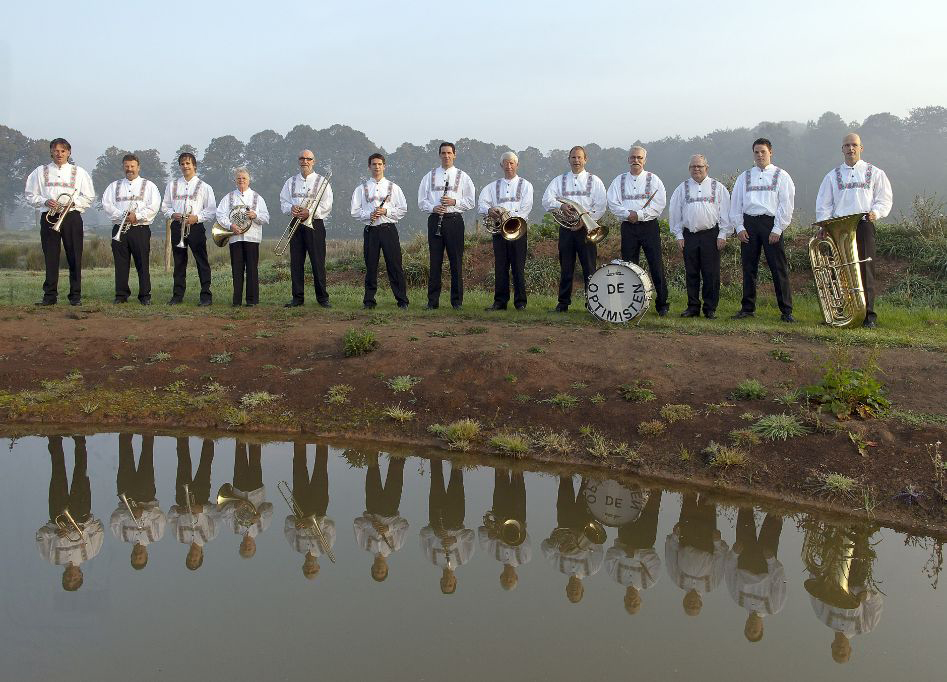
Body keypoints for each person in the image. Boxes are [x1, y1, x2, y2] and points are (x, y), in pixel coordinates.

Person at [815, 133, 893, 328]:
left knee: (866, 270)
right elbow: (824, 203)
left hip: (864, 224)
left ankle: (869, 317)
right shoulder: (832, 175)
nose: (850, 149)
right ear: (842, 149)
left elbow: (884, 198)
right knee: (837, 271)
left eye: (854, 145)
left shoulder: (875, 172)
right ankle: (841, 314)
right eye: (847, 145)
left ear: (861, 148)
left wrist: (876, 212)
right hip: (838, 228)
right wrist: (825, 224)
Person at [729, 138, 797, 322]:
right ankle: (747, 308)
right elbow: (736, 203)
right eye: (756, 152)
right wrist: (739, 227)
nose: (759, 155)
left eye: (763, 152)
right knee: (749, 268)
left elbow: (786, 204)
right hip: (749, 224)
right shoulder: (744, 176)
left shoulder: (781, 176)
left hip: (771, 224)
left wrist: (778, 228)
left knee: (778, 268)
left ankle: (786, 311)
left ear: (770, 152)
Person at [24, 138, 95, 306]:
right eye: (56, 150)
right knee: (50, 257)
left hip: (71, 216)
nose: (59, 154)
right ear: (51, 152)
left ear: (69, 152)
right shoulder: (40, 172)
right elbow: (29, 194)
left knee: (74, 256)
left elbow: (89, 196)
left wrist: (72, 204)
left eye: (63, 151)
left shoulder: (80, 172)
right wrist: (45, 201)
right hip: (49, 216)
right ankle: (49, 297)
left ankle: (75, 297)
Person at [803, 521, 884, 664]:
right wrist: (867, 596)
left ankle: (837, 518)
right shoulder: (865, 627)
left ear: (832, 646)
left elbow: (815, 592)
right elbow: (877, 604)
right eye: (843, 653)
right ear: (850, 649)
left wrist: (821, 577)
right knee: (860, 536)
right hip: (857, 577)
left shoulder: (823, 618)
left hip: (832, 572)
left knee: (833, 537)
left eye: (837, 652)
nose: (840, 650)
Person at [541, 146, 607, 313]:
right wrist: (561, 206)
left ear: (586, 159)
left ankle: (593, 304)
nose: (576, 161)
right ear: (569, 160)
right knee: (566, 267)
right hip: (566, 230)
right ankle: (563, 304)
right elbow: (546, 200)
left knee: (589, 268)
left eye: (579, 158)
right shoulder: (559, 180)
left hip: (587, 229)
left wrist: (585, 220)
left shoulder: (595, 180)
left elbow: (601, 205)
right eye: (573, 158)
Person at [35, 436, 104, 591]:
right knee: (81, 472)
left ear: (63, 577)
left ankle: (55, 439)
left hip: (57, 515)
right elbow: (99, 528)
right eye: (74, 579)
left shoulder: (50, 558)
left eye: (68, 579)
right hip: (81, 513)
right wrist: (82, 528)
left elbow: (40, 535)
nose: (71, 577)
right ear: (81, 575)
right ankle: (80, 439)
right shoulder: (92, 552)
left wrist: (55, 532)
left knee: (57, 474)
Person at [606, 146, 669, 315]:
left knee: (656, 264)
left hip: (649, 226)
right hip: (628, 227)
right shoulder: (618, 180)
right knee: (629, 266)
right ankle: (631, 304)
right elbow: (612, 203)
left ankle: (662, 304)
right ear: (628, 159)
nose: (636, 160)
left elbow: (659, 204)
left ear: (645, 160)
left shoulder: (654, 179)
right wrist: (628, 214)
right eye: (633, 157)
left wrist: (639, 215)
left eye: (639, 158)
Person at [668, 155, 730, 319]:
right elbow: (675, 213)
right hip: (689, 236)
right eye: (693, 166)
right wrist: (678, 235)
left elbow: (725, 213)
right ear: (689, 169)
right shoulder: (682, 188)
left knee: (711, 273)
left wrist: (723, 234)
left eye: (699, 166)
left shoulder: (718, 187)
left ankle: (710, 309)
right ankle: (693, 307)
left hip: (711, 235)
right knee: (692, 273)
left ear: (706, 168)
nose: (696, 169)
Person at [417, 142, 476, 310]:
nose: (446, 156)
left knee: (456, 261)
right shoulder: (429, 176)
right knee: (435, 261)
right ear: (439, 155)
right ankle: (432, 302)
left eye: (449, 153)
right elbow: (421, 201)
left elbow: (471, 201)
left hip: (455, 220)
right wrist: (433, 207)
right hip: (436, 219)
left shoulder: (463, 176)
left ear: (454, 155)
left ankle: (456, 302)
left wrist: (454, 201)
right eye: (443, 153)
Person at [350, 153, 409, 309]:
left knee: (395, 265)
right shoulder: (361, 189)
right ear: (369, 166)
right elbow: (355, 211)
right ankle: (369, 301)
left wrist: (386, 212)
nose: (377, 167)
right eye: (374, 164)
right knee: (371, 266)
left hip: (389, 229)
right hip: (371, 230)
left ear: (384, 166)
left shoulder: (394, 187)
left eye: (379, 164)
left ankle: (402, 301)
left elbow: (403, 209)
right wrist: (369, 214)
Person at [102, 154, 162, 305]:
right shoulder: (113, 186)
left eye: (132, 166)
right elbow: (107, 205)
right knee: (121, 263)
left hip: (140, 229)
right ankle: (121, 295)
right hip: (119, 228)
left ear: (138, 167)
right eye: (127, 166)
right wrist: (123, 215)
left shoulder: (149, 186)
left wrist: (138, 215)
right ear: (123, 167)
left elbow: (154, 206)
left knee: (143, 263)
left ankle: (145, 296)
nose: (130, 169)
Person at [478, 151, 534, 311]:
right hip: (498, 232)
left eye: (512, 163)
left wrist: (508, 218)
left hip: (518, 230)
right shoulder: (492, 186)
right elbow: (481, 203)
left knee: (518, 267)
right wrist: (490, 210)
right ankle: (500, 302)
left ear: (517, 165)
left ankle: (520, 302)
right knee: (500, 267)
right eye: (506, 163)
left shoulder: (526, 185)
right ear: (501, 165)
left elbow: (526, 208)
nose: (509, 166)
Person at [161, 152, 217, 306]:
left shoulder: (205, 187)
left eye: (188, 163)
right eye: (182, 164)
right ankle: (177, 296)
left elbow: (211, 210)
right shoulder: (172, 185)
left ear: (194, 166)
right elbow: (165, 206)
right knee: (179, 262)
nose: (185, 166)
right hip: (178, 225)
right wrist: (173, 214)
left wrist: (197, 217)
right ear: (179, 166)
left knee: (201, 261)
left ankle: (206, 296)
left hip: (196, 227)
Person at [280, 149, 333, 308]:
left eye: (308, 159)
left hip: (314, 224)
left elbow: (327, 204)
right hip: (295, 223)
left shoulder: (322, 181)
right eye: (302, 158)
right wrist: (291, 208)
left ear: (313, 161)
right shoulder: (290, 181)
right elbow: (283, 201)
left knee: (318, 262)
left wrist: (310, 212)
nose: (305, 161)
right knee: (296, 262)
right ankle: (297, 298)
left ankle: (322, 298)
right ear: (299, 161)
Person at [724, 507, 787, 643]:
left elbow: (729, 573)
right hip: (765, 563)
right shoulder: (774, 607)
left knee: (744, 510)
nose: (751, 627)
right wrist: (771, 561)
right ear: (762, 628)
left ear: (745, 625)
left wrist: (734, 554)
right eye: (755, 631)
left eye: (748, 629)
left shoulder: (737, 599)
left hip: (744, 558)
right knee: (774, 515)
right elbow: (780, 580)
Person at [541, 475, 604, 604]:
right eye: (576, 592)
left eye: (570, 592)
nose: (573, 590)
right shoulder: (592, 569)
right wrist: (580, 539)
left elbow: (544, 547)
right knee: (587, 484)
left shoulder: (558, 566)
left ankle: (565, 455)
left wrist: (558, 546)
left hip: (564, 521)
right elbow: (598, 546)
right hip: (584, 523)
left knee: (565, 479)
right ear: (583, 589)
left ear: (566, 588)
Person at [665, 492, 728, 616]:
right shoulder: (712, 586)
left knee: (689, 498)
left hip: (687, 537)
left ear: (684, 601)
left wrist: (675, 536)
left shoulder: (677, 580)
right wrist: (717, 543)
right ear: (701, 603)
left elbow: (671, 555)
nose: (692, 603)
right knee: (708, 498)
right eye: (695, 606)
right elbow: (720, 560)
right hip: (707, 541)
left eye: (689, 605)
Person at [109, 433, 166, 571]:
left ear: (130, 556)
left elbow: (114, 519)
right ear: (146, 556)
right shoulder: (156, 536)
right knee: (147, 456)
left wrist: (129, 514)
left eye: (135, 558)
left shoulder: (121, 536)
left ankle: (125, 429)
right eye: (141, 558)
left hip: (126, 496)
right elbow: (160, 517)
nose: (137, 555)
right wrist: (143, 513)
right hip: (146, 495)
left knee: (125, 458)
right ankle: (148, 429)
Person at [352, 451, 409, 583]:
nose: (379, 569)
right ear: (387, 568)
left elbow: (357, 523)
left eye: (376, 571)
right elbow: (405, 524)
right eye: (382, 571)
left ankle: (373, 445)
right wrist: (388, 528)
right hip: (390, 509)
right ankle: (398, 443)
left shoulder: (364, 545)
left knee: (372, 470)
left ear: (372, 568)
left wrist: (371, 524)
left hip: (372, 508)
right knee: (396, 472)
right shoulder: (397, 545)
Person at [420, 459, 474, 594]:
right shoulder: (464, 558)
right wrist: (456, 540)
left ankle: (435, 451)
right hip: (456, 519)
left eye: (444, 584)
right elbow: (471, 535)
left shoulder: (431, 558)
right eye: (450, 584)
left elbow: (422, 534)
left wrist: (435, 532)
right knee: (457, 480)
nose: (447, 582)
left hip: (435, 520)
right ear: (455, 580)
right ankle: (457, 453)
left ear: (440, 581)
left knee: (436, 480)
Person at [604, 489, 662, 615]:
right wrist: (636, 554)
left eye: (629, 604)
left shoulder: (615, 576)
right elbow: (654, 560)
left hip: (625, 537)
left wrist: (624, 551)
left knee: (626, 500)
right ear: (640, 600)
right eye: (635, 604)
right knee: (653, 500)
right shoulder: (650, 581)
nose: (632, 601)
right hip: (646, 538)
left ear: (624, 599)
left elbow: (609, 556)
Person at [216, 168, 269, 307]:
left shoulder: (257, 197)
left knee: (252, 269)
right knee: (237, 269)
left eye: (244, 178)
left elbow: (266, 217)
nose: (241, 181)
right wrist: (230, 225)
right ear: (235, 180)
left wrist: (255, 215)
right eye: (239, 178)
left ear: (249, 180)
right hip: (235, 237)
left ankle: (252, 300)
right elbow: (220, 215)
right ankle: (237, 300)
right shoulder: (228, 197)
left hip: (252, 237)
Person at [284, 442, 336, 580]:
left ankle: (300, 441)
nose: (310, 569)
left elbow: (287, 523)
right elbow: (330, 525)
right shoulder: (326, 548)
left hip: (299, 509)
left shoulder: (295, 546)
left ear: (303, 567)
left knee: (299, 470)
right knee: (320, 469)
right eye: (313, 571)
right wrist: (312, 523)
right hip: (319, 508)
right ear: (318, 567)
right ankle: (321, 441)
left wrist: (296, 523)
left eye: (307, 571)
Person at [167, 437, 218, 571]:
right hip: (201, 497)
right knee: (205, 464)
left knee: (183, 463)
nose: (192, 556)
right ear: (201, 556)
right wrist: (202, 509)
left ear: (187, 556)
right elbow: (218, 513)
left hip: (182, 498)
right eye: (195, 559)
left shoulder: (179, 537)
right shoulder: (211, 536)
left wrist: (179, 511)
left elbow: (170, 516)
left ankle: (182, 435)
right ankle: (209, 436)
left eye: (190, 558)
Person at [478, 468, 532, 591]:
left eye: (505, 579)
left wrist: (491, 533)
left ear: (501, 576)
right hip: (518, 516)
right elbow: (526, 537)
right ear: (516, 577)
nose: (508, 577)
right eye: (510, 580)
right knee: (518, 475)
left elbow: (481, 531)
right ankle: (518, 457)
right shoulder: (525, 558)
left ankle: (501, 456)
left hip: (499, 511)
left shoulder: (493, 553)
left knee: (500, 476)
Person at [222, 441, 273, 560]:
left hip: (238, 489)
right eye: (249, 548)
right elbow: (269, 507)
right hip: (256, 489)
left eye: (244, 548)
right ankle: (256, 433)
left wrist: (235, 506)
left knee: (239, 457)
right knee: (255, 459)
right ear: (255, 546)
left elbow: (224, 512)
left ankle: (239, 433)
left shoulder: (233, 528)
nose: (246, 546)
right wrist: (259, 514)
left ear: (240, 545)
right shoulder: (262, 527)